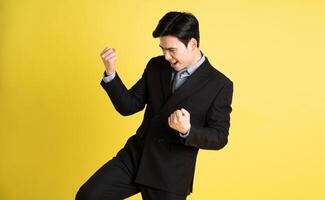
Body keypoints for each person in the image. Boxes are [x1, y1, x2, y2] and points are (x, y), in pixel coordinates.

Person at [76, 11, 233, 200]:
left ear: (192, 44)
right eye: (162, 49)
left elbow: (219, 137)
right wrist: (111, 73)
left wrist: (188, 130)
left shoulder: (219, 84)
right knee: (88, 196)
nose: (166, 56)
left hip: (169, 173)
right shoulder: (156, 65)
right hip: (135, 157)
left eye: (172, 50)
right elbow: (129, 106)